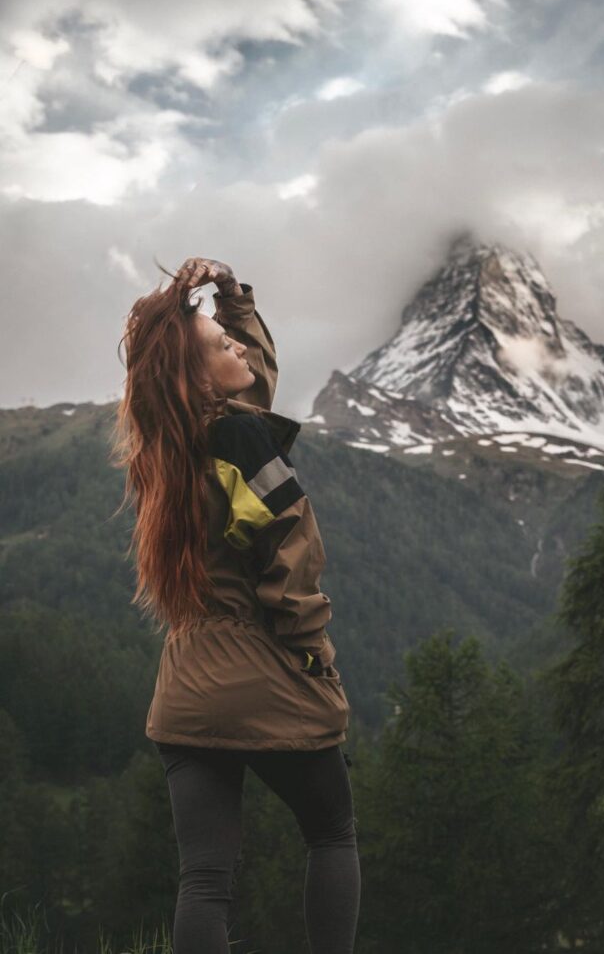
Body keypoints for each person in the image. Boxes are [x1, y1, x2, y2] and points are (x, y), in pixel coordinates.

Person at [111, 256, 360, 954]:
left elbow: (251, 385)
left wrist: (228, 301)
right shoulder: (239, 440)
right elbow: (292, 546)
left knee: (206, 879)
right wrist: (311, 648)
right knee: (332, 831)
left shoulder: (165, 447)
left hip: (184, 693)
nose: (240, 348)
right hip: (262, 669)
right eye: (222, 344)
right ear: (196, 378)